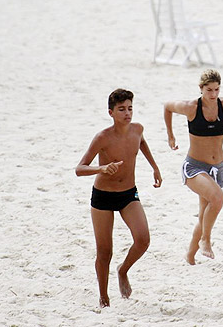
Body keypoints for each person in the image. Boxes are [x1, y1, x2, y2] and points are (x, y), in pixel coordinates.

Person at [75, 89, 163, 308]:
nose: (127, 113)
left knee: (143, 239)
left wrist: (154, 167)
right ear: (111, 112)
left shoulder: (138, 129)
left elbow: (141, 143)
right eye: (122, 109)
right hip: (103, 197)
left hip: (128, 194)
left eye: (130, 108)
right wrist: (102, 168)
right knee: (105, 251)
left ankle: (123, 270)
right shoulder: (103, 137)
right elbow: (79, 168)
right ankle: (104, 298)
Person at [163, 69, 223, 265]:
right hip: (194, 167)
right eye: (209, 90)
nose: (213, 94)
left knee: (204, 216)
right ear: (201, 89)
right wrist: (170, 135)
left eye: (217, 89)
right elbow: (167, 107)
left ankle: (190, 256)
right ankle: (206, 240)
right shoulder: (191, 107)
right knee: (217, 199)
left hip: (217, 169)